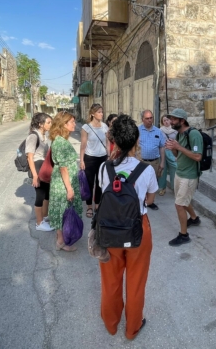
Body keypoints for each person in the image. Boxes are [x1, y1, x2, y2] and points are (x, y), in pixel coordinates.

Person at [98, 114, 157, 340]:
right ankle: (132, 328)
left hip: (110, 228)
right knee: (136, 282)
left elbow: (103, 196)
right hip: (138, 230)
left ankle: (111, 323)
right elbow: (149, 201)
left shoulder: (105, 168)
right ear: (136, 142)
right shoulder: (146, 170)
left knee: (110, 280)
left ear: (115, 142)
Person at [164, 108, 202, 246]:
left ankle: (184, 235)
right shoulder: (179, 135)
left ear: (182, 120)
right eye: (171, 118)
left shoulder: (194, 134)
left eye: (174, 119)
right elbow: (177, 155)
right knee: (183, 200)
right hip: (179, 173)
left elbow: (198, 157)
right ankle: (194, 218)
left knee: (179, 204)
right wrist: (173, 148)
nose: (171, 121)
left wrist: (178, 147)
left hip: (189, 176)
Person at [48, 111, 83, 251]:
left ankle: (61, 239)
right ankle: (61, 242)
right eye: (72, 122)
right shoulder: (60, 143)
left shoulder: (60, 139)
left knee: (63, 210)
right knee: (63, 211)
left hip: (64, 181)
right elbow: (63, 168)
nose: (75, 124)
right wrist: (69, 188)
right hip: (63, 183)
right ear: (64, 124)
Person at [26, 112, 54, 232]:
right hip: (37, 167)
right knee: (40, 195)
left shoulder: (43, 136)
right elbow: (30, 157)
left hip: (44, 167)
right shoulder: (33, 136)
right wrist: (35, 176)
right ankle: (39, 223)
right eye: (48, 122)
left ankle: (44, 216)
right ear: (40, 124)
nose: (50, 124)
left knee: (47, 194)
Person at [80, 104, 109, 218]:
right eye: (99, 112)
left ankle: (97, 204)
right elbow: (83, 145)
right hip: (90, 158)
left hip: (102, 157)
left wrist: (109, 155)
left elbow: (107, 142)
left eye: (102, 112)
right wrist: (82, 160)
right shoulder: (86, 127)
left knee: (100, 182)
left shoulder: (104, 126)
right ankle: (89, 207)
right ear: (92, 114)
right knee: (89, 183)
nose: (101, 114)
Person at [137, 110, 165, 210]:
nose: (149, 120)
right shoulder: (138, 130)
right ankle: (141, 201)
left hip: (154, 162)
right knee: (141, 182)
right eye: (147, 118)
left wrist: (162, 162)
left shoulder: (158, 131)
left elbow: (162, 147)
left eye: (151, 118)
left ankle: (150, 202)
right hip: (141, 161)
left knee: (153, 182)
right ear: (142, 119)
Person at [157, 115, 177, 196]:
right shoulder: (160, 130)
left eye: (167, 120)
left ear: (170, 121)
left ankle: (174, 187)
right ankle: (162, 188)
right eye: (164, 120)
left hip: (172, 152)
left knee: (175, 168)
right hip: (162, 151)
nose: (166, 122)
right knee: (162, 170)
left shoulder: (175, 130)